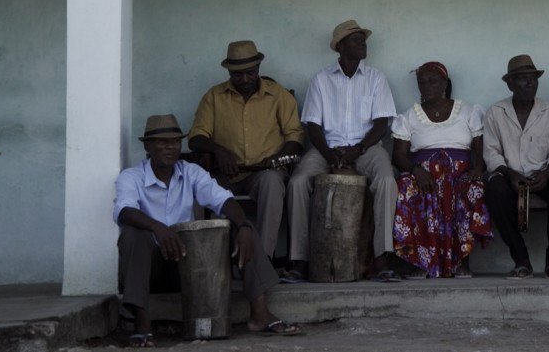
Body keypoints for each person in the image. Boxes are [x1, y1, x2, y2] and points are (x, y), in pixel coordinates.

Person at [116, 115, 300, 347]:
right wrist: (158, 228)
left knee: (242, 226)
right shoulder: (132, 177)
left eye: (175, 141)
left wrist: (243, 226)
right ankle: (142, 323)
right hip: (149, 270)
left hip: (186, 267)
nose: (170, 147)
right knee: (134, 234)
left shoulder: (190, 172)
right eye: (162, 142)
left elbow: (223, 199)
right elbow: (124, 211)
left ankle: (260, 313)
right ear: (147, 147)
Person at [292, 19, 399, 281]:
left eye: (363, 39)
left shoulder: (375, 78)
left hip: (366, 147)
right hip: (327, 148)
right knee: (297, 182)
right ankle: (298, 260)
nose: (363, 44)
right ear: (340, 46)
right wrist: (330, 155)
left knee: (387, 180)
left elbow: (381, 124)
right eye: (356, 40)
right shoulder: (321, 79)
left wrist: (358, 149)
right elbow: (313, 126)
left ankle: (382, 258)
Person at [188, 40, 304, 278]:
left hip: (263, 173)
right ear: (229, 72)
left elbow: (295, 136)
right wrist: (219, 151)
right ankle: (205, 266)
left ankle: (262, 261)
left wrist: (276, 158)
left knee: (273, 182)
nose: (244, 79)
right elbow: (196, 138)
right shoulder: (214, 96)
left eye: (250, 72)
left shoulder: (278, 95)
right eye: (237, 74)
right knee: (195, 187)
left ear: (258, 67)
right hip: (225, 174)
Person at [391, 61, 492, 278]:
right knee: (406, 186)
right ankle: (419, 262)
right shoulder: (408, 116)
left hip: (459, 173)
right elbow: (398, 156)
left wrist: (477, 169)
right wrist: (416, 170)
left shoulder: (468, 112)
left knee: (472, 188)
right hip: (423, 175)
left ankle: (462, 260)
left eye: (433, 81)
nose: (427, 86)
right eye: (422, 82)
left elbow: (480, 150)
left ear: (445, 83)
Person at [483, 55, 549, 280]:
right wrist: (510, 173)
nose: (530, 83)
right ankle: (521, 261)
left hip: (543, 175)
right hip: (509, 174)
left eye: (533, 78)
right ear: (510, 84)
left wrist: (546, 175)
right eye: (522, 78)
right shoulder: (496, 112)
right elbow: (491, 153)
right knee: (494, 190)